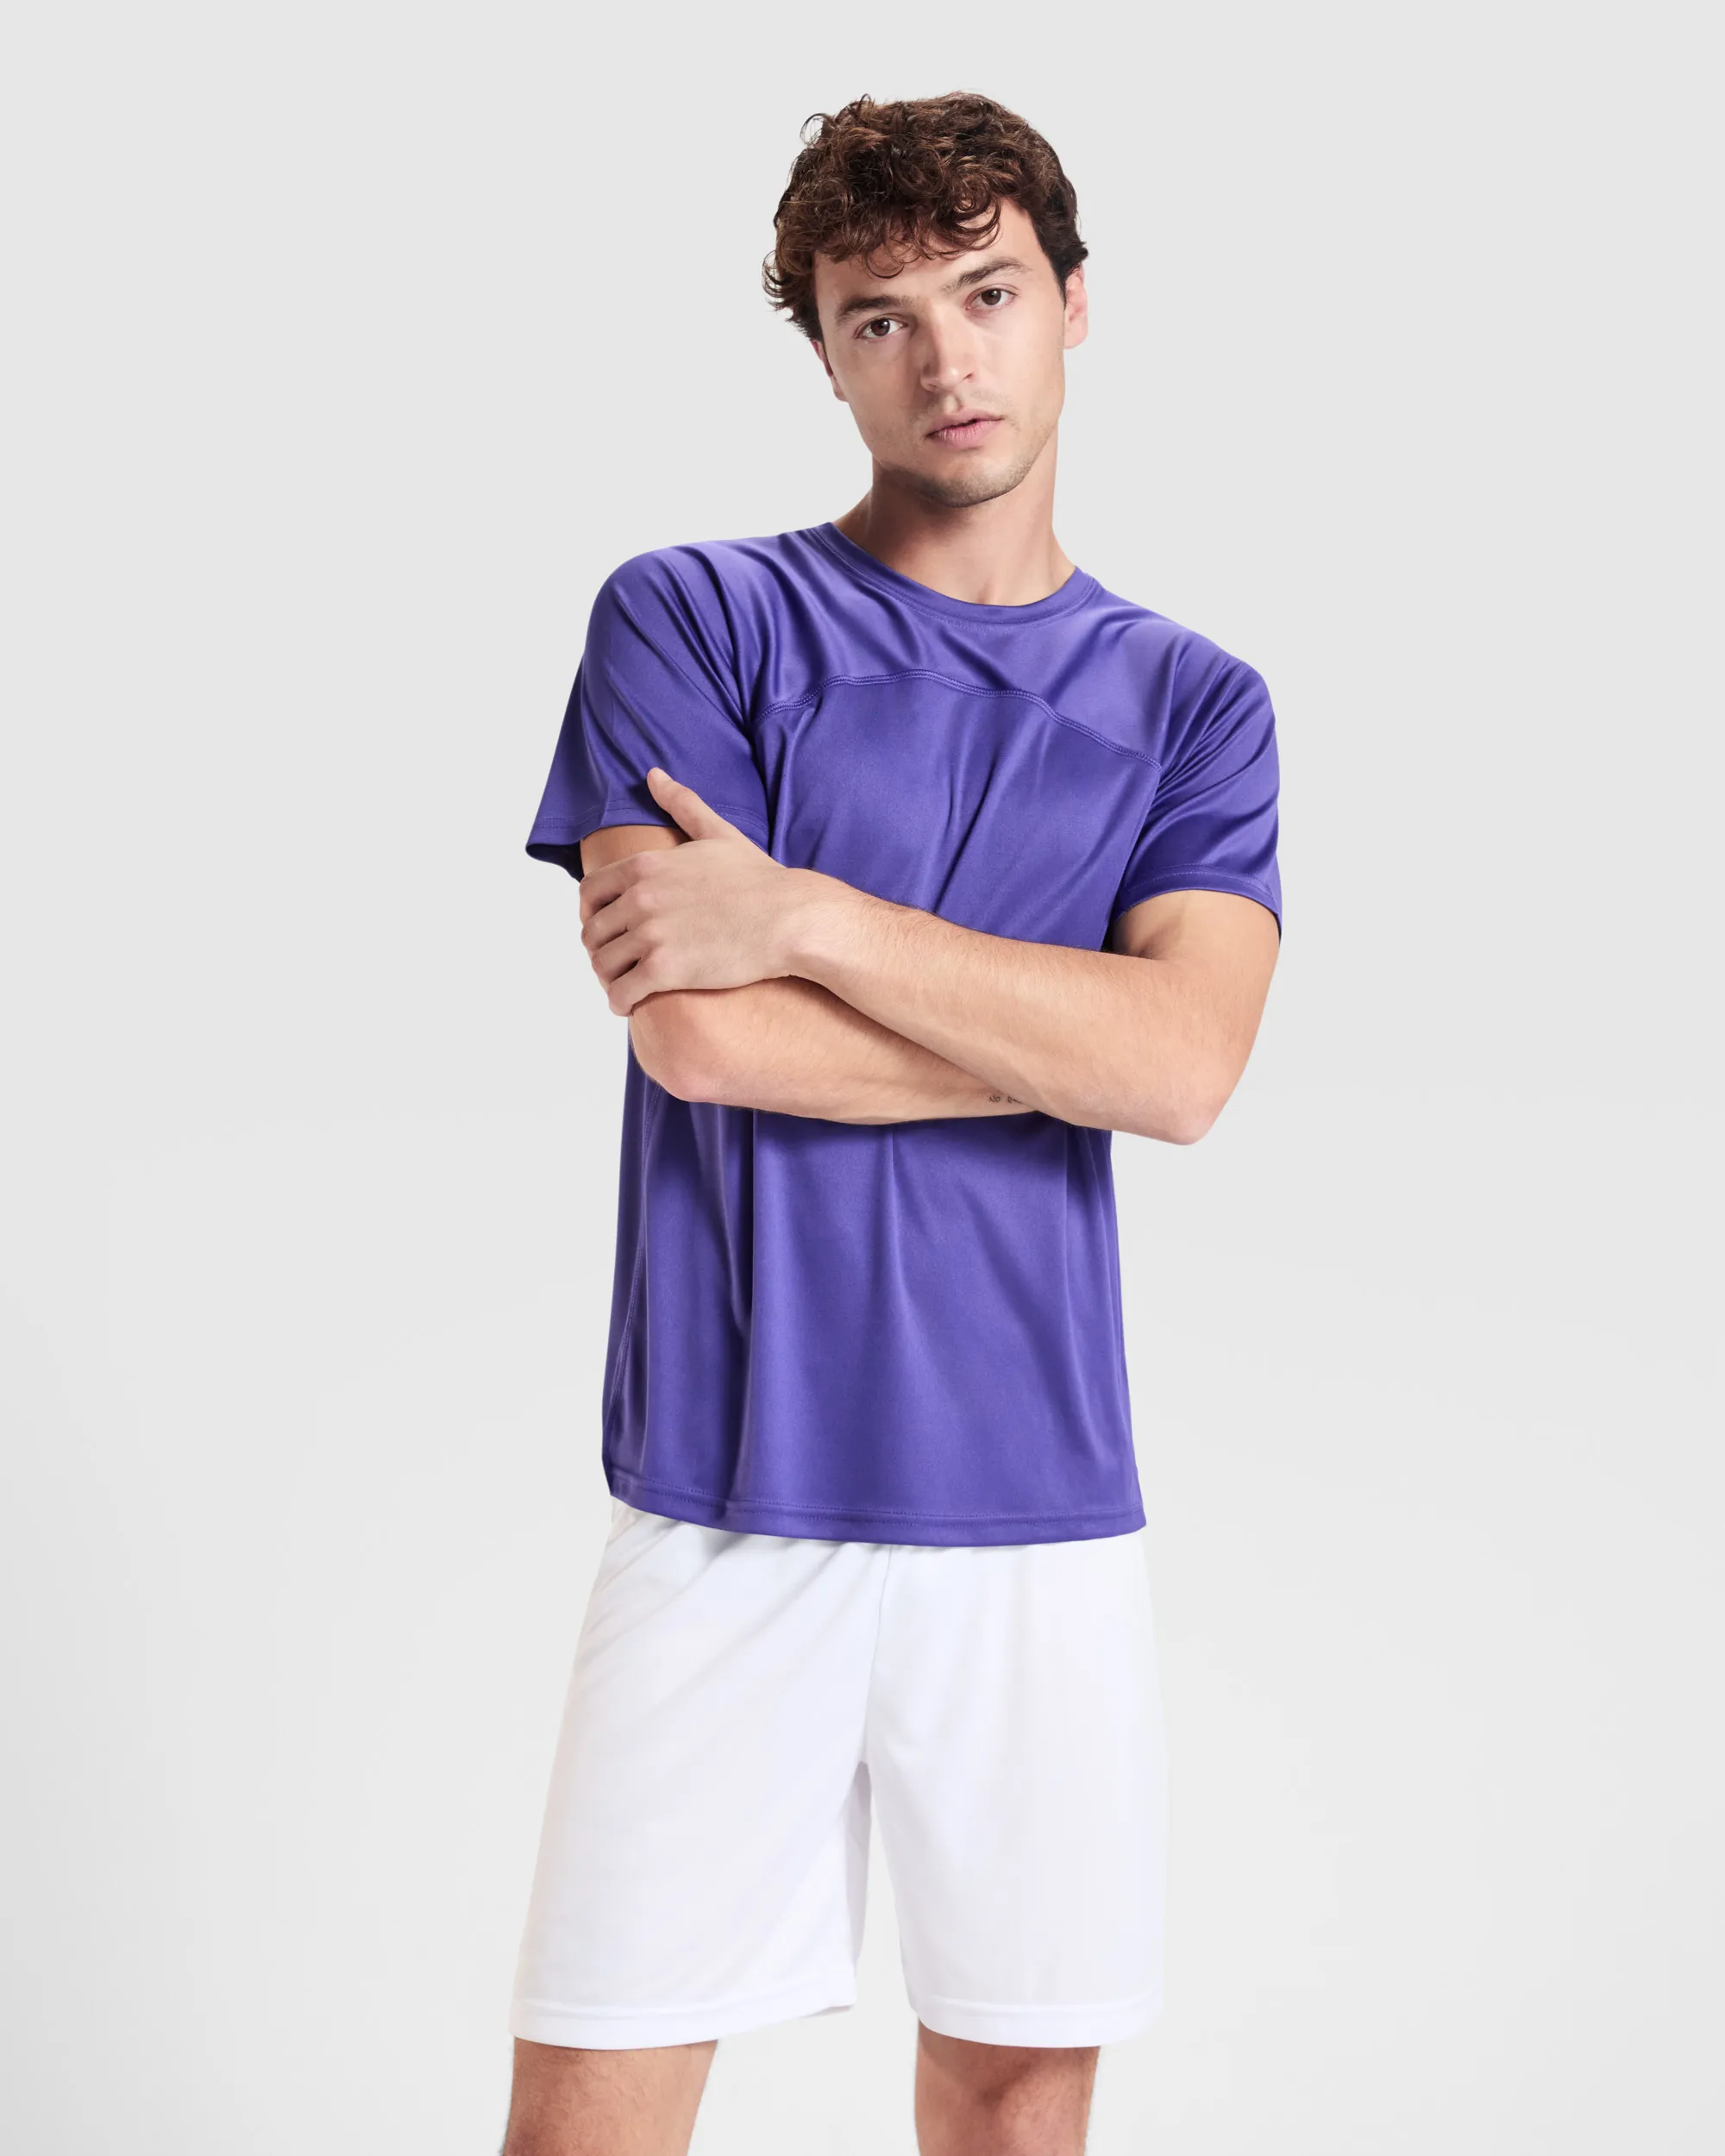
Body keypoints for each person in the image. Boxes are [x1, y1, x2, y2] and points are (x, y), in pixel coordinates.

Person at [501, 89, 1282, 2156]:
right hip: (725, 1489)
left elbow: (1188, 1069)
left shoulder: (1193, 703)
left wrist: (811, 917)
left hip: (1039, 1502)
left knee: (1019, 2104)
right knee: (588, 2112)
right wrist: (1074, 1031)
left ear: (1074, 303)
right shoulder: (694, 619)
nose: (946, 358)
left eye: (988, 293)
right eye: (879, 317)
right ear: (827, 354)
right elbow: (702, 1039)